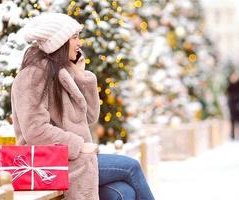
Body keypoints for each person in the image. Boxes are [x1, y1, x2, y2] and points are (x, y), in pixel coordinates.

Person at [11, 13, 155, 200]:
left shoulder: (61, 73)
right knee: (131, 167)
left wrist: (81, 76)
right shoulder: (33, 75)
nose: (79, 43)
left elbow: (89, 117)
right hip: (48, 162)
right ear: (59, 42)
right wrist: (78, 145)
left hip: (74, 159)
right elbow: (35, 131)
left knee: (122, 192)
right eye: (74, 37)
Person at [226, 71, 239, 140]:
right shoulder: (229, 85)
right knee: (232, 121)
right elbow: (228, 93)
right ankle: (232, 135)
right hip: (232, 106)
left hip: (238, 105)